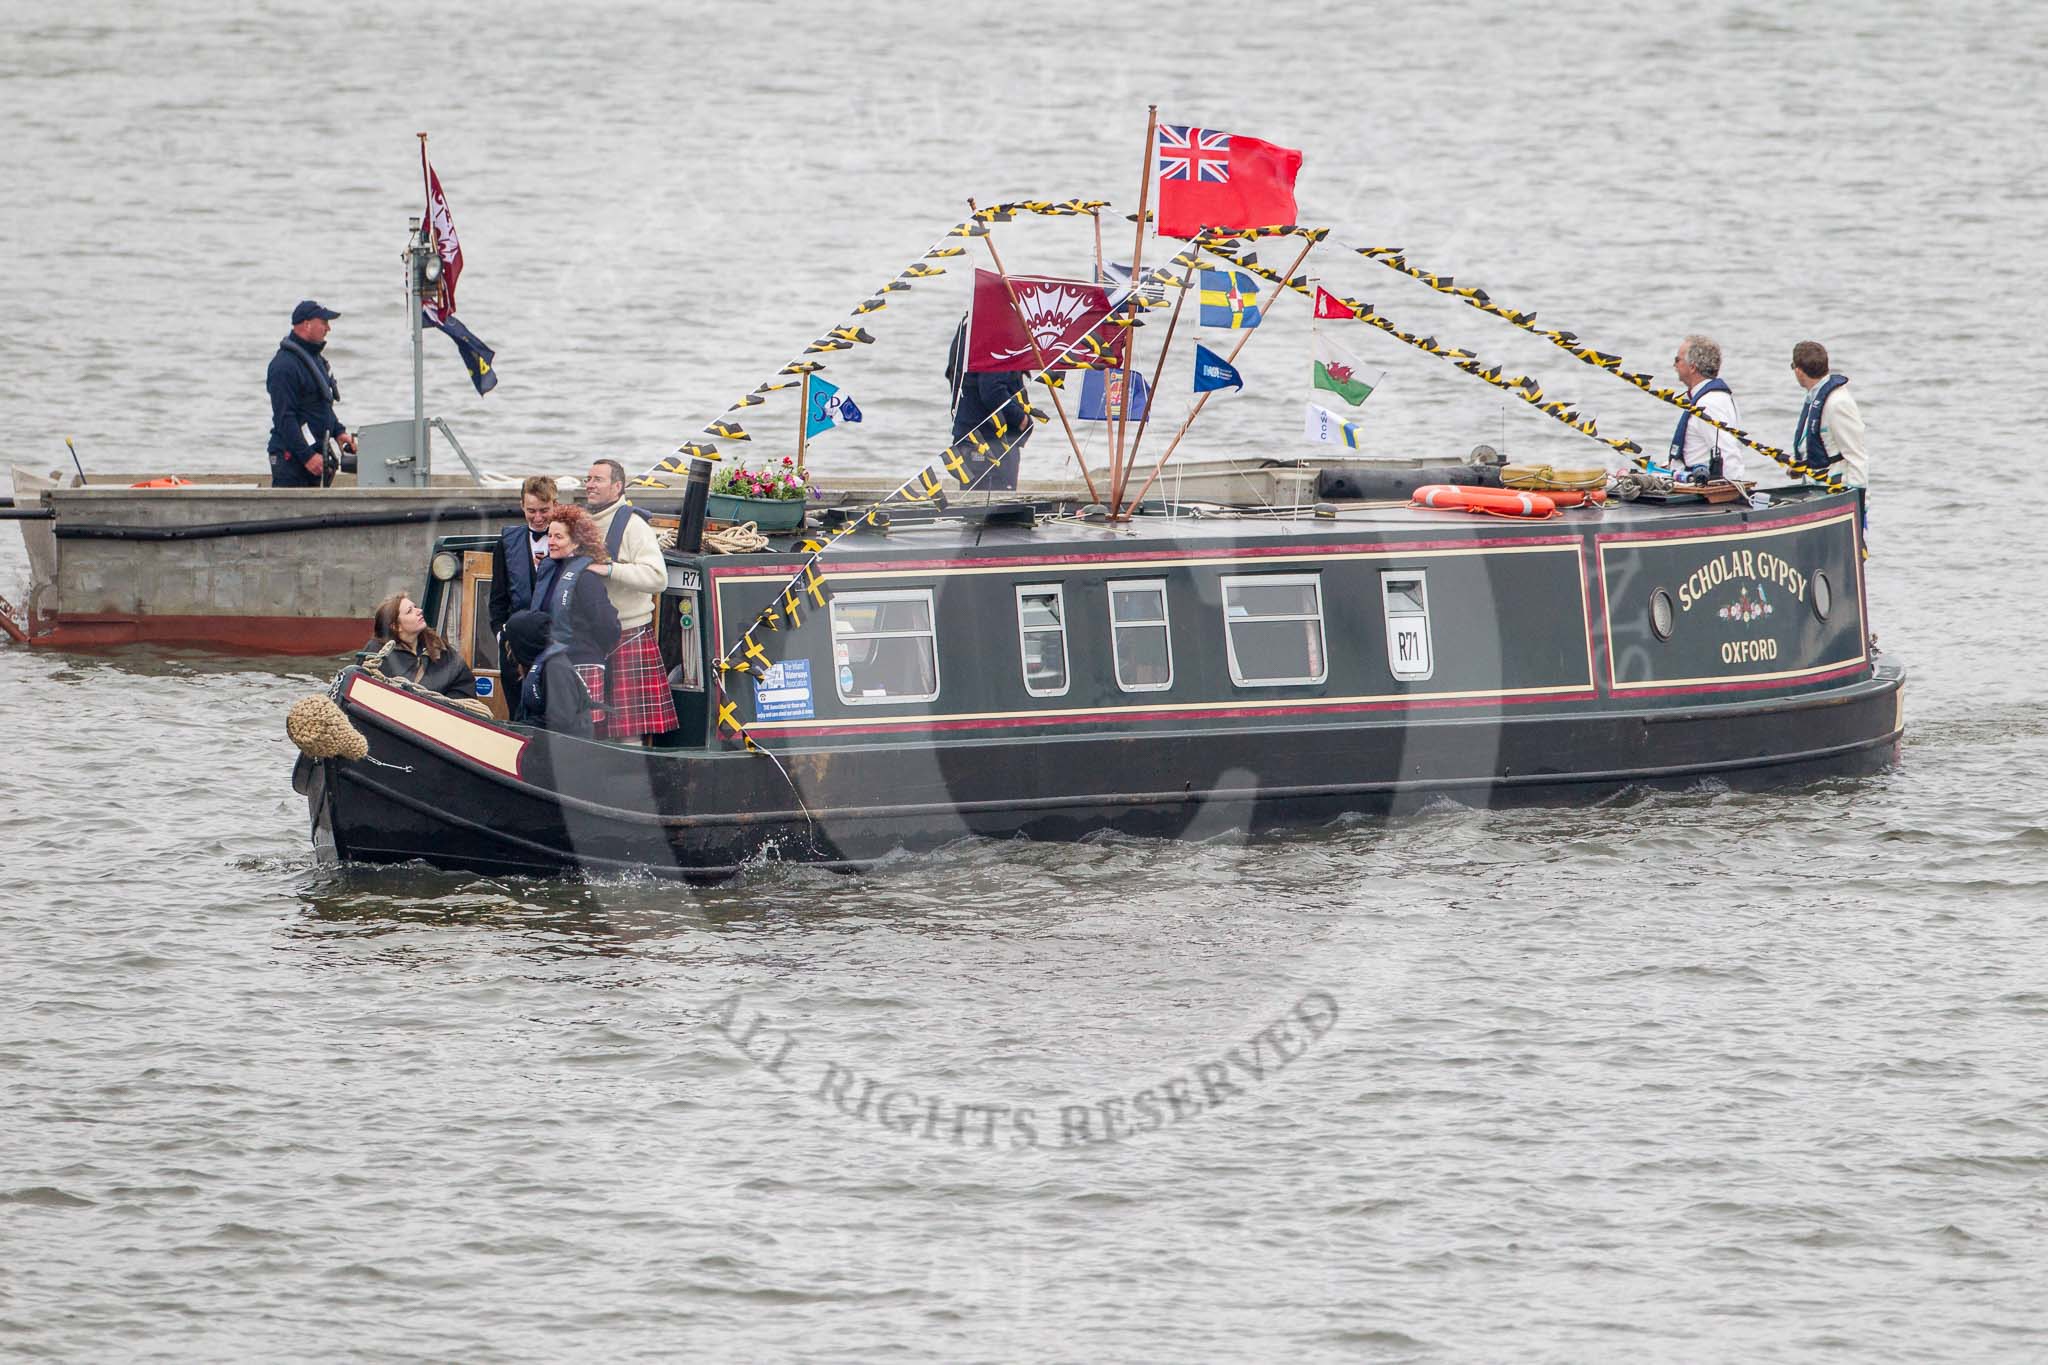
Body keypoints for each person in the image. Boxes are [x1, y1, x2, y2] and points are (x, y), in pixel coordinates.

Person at [582, 458, 677, 742]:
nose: (589, 484)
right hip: (590, 638)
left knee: (628, 733)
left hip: (628, 634)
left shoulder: (633, 525)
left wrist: (611, 569)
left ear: (617, 486)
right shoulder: (583, 523)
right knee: (592, 729)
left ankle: (633, 784)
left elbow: (658, 578)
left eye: (597, 479)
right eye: (588, 478)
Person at [505, 505, 622, 736]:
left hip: (580, 662)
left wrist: (588, 648)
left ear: (576, 542)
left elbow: (608, 625)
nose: (551, 541)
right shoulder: (549, 570)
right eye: (549, 535)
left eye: (558, 536)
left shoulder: (586, 578)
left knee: (583, 731)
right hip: (552, 663)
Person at [266, 300, 358, 488]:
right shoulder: (284, 366)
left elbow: (320, 404)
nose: (328, 328)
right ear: (307, 325)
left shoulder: (315, 359)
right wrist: (307, 456)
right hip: (290, 457)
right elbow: (285, 418)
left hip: (314, 452)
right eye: (323, 322)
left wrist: (338, 432)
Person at [944, 313, 1031, 492]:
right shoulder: (997, 334)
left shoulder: (968, 329)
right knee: (997, 514)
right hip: (993, 443)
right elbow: (992, 390)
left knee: (973, 513)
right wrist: (1020, 418)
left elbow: (952, 375)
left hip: (968, 438)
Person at [365, 592, 478, 702]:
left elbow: (464, 686)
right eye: (410, 611)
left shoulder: (438, 647)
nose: (419, 611)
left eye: (415, 607)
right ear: (396, 626)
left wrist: (443, 706)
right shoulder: (376, 652)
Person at [1663, 334, 1746, 483]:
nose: (1674, 365)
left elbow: (1728, 454)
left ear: (1692, 367)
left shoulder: (1710, 403)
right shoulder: (1709, 397)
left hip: (1702, 490)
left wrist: (1729, 492)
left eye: (1677, 360)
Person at [1788, 341, 1868, 489]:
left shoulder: (1838, 403)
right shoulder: (1814, 397)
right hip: (1814, 488)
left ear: (1798, 371)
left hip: (1835, 491)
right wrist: (1800, 464)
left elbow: (1856, 456)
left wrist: (1860, 502)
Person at [489, 475, 559, 638]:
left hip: (557, 634)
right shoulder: (506, 543)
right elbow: (498, 597)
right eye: (531, 511)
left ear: (555, 505)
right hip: (518, 634)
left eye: (544, 510)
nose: (538, 518)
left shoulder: (569, 540)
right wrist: (500, 634)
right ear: (522, 506)